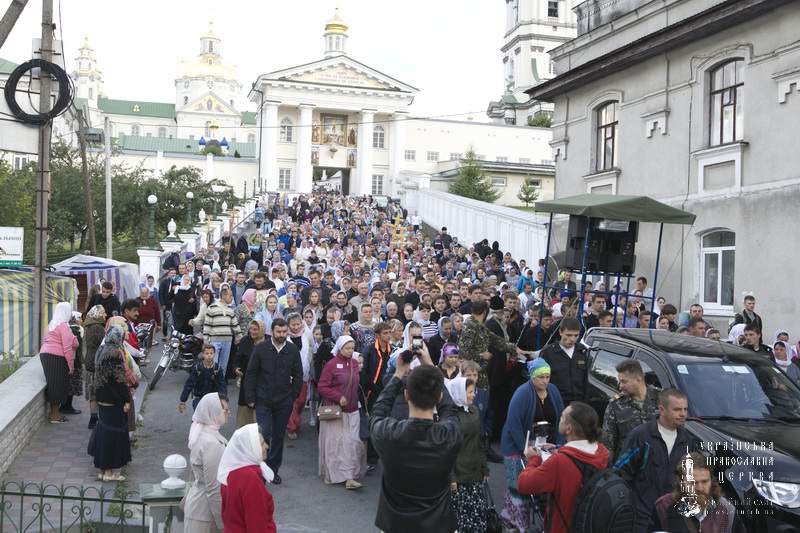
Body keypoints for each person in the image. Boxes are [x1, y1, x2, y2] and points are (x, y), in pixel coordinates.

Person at [370, 354, 462, 533]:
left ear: (406, 395)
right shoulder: (449, 436)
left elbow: (378, 411)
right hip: (438, 525)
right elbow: (450, 409)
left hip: (396, 525)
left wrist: (398, 373)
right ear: (439, 398)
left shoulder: (389, 434)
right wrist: (430, 364)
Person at [615, 388, 701, 533]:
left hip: (674, 519)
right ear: (662, 409)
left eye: (685, 409)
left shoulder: (688, 441)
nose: (683, 414)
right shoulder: (641, 436)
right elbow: (621, 473)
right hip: (641, 519)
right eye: (677, 409)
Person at [516, 402, 609, 533]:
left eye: (562, 417)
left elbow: (524, 484)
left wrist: (533, 459)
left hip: (562, 526)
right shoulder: (602, 452)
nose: (559, 418)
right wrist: (559, 449)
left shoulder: (560, 462)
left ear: (569, 428)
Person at [499, 358, 565, 531]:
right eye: (541, 377)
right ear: (532, 377)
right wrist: (524, 448)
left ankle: (509, 518)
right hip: (517, 444)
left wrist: (559, 443)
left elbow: (561, 418)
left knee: (538, 485)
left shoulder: (553, 391)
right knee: (518, 486)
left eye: (548, 377)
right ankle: (519, 525)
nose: (545, 381)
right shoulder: (522, 393)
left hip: (544, 444)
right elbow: (513, 423)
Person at [245, 318, 303, 485]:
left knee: (278, 437)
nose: (282, 335)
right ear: (272, 331)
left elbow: (298, 375)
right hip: (263, 400)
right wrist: (250, 397)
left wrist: (293, 396)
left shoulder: (292, 350)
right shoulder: (261, 348)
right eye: (278, 332)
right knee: (265, 434)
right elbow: (251, 373)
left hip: (284, 401)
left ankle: (272, 470)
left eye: (284, 332)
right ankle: (260, 469)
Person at [317, 335, 368, 489]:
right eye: (347, 348)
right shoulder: (331, 365)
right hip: (336, 411)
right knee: (335, 443)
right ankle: (332, 474)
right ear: (340, 348)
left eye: (352, 348)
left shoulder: (354, 363)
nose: (350, 351)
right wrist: (338, 397)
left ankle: (349, 476)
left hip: (353, 409)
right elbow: (322, 386)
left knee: (351, 442)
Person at [654, 452, 746, 533]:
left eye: (705, 481)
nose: (700, 488)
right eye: (693, 482)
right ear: (681, 483)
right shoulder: (663, 506)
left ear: (711, 481)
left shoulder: (726, 510)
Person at [446, 376, 489, 533]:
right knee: (460, 520)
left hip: (475, 472)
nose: (473, 395)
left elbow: (479, 441)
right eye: (469, 392)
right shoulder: (450, 415)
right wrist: (451, 477)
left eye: (474, 391)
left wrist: (485, 468)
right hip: (459, 476)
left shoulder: (474, 411)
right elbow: (447, 449)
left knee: (477, 519)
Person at [89, 326, 132, 482]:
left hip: (101, 397)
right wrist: (127, 399)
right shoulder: (115, 354)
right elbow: (120, 380)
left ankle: (101, 470)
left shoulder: (101, 351)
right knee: (113, 434)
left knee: (103, 431)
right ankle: (109, 473)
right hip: (114, 400)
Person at [218, 424, 277, 533]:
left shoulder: (230, 472)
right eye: (261, 444)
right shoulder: (250, 479)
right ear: (250, 448)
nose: (266, 447)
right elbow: (256, 524)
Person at [600, 359, 660, 464]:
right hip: (627, 468)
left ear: (639, 379)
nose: (620, 386)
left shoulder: (661, 400)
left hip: (656, 467)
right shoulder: (615, 405)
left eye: (624, 381)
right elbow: (608, 445)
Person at [184, 393, 229, 533]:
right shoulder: (211, 443)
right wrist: (223, 523)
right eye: (225, 410)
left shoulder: (201, 431)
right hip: (205, 514)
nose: (228, 413)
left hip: (199, 508)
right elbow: (213, 488)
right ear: (212, 411)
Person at [39, 301, 79, 423]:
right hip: (57, 357)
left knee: (53, 384)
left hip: (45, 354)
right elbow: (67, 348)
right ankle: (55, 416)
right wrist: (71, 366)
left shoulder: (51, 325)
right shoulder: (63, 326)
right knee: (57, 385)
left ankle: (54, 414)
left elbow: (45, 340)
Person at [539, 317, 589, 406]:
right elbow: (540, 381)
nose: (572, 339)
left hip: (578, 403)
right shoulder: (548, 353)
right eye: (569, 335)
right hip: (555, 402)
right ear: (561, 332)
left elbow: (585, 381)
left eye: (576, 335)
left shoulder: (582, 351)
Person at [203, 288, 242, 379]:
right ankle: (211, 384)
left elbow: (235, 324)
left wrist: (238, 336)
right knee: (213, 363)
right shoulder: (212, 308)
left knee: (223, 365)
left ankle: (220, 384)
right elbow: (207, 324)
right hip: (214, 340)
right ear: (224, 295)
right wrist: (206, 340)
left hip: (227, 341)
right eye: (230, 295)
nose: (232, 298)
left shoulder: (230, 310)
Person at [234, 319, 265, 427]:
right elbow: (238, 358)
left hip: (262, 380)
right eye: (251, 329)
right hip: (247, 379)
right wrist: (237, 368)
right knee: (245, 403)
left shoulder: (267, 342)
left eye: (256, 329)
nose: (253, 331)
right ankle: (244, 429)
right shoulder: (245, 341)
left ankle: (259, 429)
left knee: (260, 403)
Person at [180, 345, 228, 412]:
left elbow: (222, 385)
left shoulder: (217, 369)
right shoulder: (197, 368)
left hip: (213, 399)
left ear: (214, 354)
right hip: (199, 399)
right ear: (203, 354)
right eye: (207, 353)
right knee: (199, 420)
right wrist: (183, 401)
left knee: (212, 420)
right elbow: (189, 384)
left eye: (211, 353)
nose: (209, 355)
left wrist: (223, 400)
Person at [83, 305, 107, 429]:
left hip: (89, 361)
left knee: (92, 393)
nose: (105, 315)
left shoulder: (88, 326)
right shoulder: (98, 327)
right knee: (96, 392)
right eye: (103, 313)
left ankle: (93, 418)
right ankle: (95, 419)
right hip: (96, 362)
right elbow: (105, 343)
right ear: (97, 314)